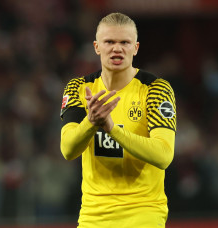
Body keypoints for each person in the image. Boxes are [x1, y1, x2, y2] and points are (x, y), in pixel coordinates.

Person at [60, 12, 176, 228]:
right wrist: (91, 122)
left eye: (125, 42)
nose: (117, 48)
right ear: (97, 47)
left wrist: (112, 129)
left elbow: (164, 155)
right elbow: (68, 150)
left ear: (136, 48)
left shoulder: (156, 89)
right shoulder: (79, 88)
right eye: (109, 42)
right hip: (93, 216)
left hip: (143, 213)